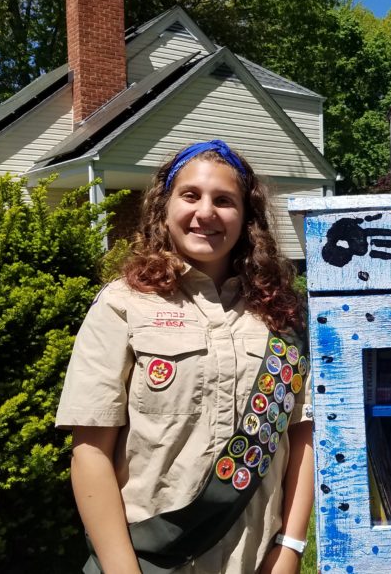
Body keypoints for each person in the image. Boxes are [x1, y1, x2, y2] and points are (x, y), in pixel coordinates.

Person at [56, 140, 314, 574]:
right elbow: (90, 452)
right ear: (163, 207)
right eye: (190, 195)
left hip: (254, 562)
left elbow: (304, 436)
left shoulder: (281, 315)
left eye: (225, 200)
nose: (206, 212)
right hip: (150, 560)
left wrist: (289, 548)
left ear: (247, 217)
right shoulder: (122, 305)